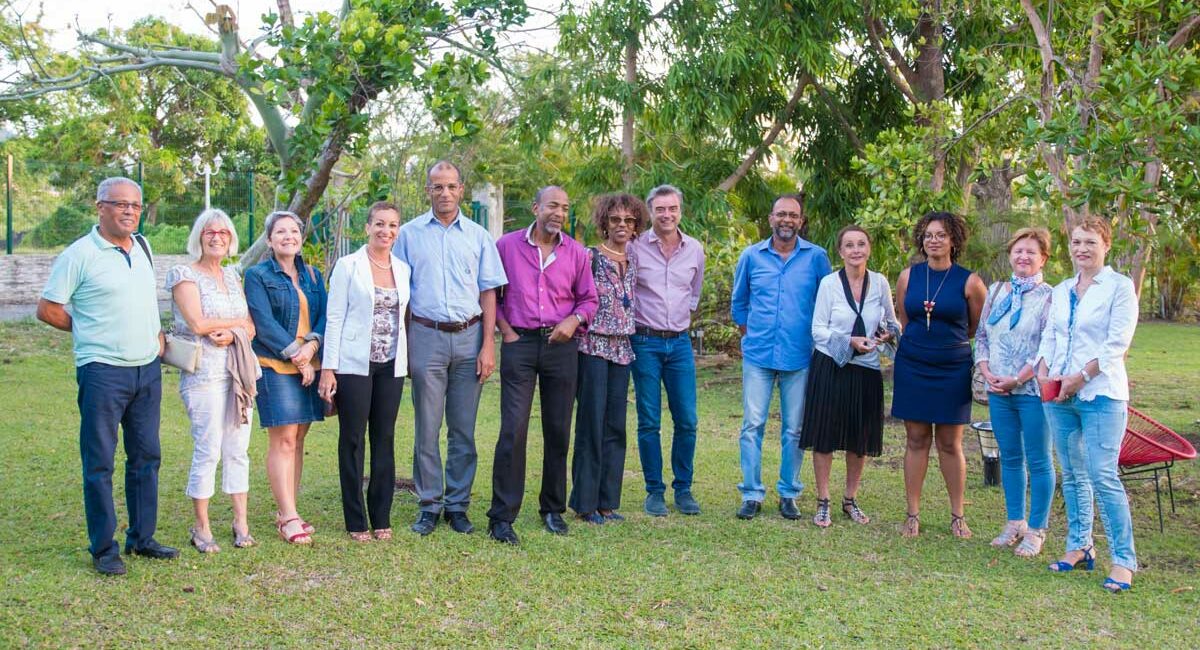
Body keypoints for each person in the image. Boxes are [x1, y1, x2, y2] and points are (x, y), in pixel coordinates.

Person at [37, 176, 179, 575]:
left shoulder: (144, 246)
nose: (129, 211)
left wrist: (155, 336)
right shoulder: (79, 254)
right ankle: (104, 548)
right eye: (120, 204)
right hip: (102, 372)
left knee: (147, 456)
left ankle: (142, 537)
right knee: (100, 461)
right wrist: (88, 330)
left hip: (146, 370)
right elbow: (47, 308)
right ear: (99, 207)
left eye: (135, 204)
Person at [393, 160, 507, 537]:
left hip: (470, 336)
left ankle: (457, 505)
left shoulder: (478, 237)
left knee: (463, 429)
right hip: (426, 336)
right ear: (428, 190)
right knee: (427, 427)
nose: (444, 193)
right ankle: (429, 505)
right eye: (437, 187)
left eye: (451, 186)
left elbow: (489, 292)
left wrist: (488, 347)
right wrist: (406, 346)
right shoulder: (408, 235)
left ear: (461, 189)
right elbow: (401, 295)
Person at [486, 186, 598, 545]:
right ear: (536, 208)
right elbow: (492, 293)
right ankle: (502, 516)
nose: (558, 213)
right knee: (513, 429)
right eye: (552, 205)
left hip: (561, 346)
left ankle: (552, 508)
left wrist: (574, 320)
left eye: (564, 208)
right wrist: (505, 331)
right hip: (519, 343)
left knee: (558, 428)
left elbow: (590, 299)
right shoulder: (506, 246)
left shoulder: (577, 253)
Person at [1036, 217, 1139, 593]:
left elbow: (1117, 344)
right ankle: (1079, 546)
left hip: (1101, 394)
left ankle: (1124, 560)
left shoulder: (1119, 287)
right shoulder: (1062, 290)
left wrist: (1079, 377)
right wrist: (1045, 371)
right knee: (1074, 474)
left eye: (1090, 242)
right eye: (1077, 242)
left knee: (1102, 475)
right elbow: (1051, 334)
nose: (1082, 249)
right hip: (1058, 395)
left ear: (1105, 245)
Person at [731, 193, 832, 521]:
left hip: (800, 355)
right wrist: (752, 335)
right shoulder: (751, 256)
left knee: (794, 428)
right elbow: (739, 302)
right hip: (758, 355)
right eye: (780, 214)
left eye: (793, 215)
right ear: (771, 218)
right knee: (752, 425)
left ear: (800, 221)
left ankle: (789, 493)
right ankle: (751, 493)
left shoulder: (817, 258)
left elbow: (826, 304)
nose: (786, 220)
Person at [167, 208, 260, 553]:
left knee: (239, 450)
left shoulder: (234, 275)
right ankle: (201, 526)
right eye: (210, 232)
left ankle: (241, 522)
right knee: (208, 449)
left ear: (231, 238)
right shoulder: (183, 274)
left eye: (223, 232)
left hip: (238, 373)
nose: (217, 237)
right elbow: (197, 323)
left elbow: (250, 327)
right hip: (203, 374)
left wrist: (232, 327)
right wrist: (233, 324)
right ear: (199, 237)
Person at [319, 202, 411, 542]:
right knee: (353, 439)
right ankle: (356, 520)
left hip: (392, 365)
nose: (386, 231)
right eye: (380, 224)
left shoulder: (403, 269)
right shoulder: (348, 266)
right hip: (354, 365)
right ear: (367, 227)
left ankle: (382, 516)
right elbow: (335, 318)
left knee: (384, 439)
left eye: (392, 225)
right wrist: (329, 369)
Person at [892, 211, 988, 538]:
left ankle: (958, 515)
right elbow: (905, 320)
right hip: (913, 365)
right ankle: (912, 514)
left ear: (954, 241)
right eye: (929, 235)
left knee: (950, 443)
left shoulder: (970, 281)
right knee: (916, 439)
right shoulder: (908, 277)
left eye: (941, 235)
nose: (934, 240)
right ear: (922, 240)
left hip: (952, 368)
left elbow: (974, 327)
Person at [801, 225, 898, 527]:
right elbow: (817, 329)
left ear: (869, 249)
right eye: (849, 245)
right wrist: (849, 341)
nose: (856, 250)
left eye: (861, 244)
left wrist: (884, 336)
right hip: (831, 365)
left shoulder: (880, 283)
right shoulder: (830, 284)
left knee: (860, 436)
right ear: (840, 252)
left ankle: (850, 499)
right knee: (825, 435)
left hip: (866, 368)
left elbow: (894, 325)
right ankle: (823, 501)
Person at [244, 210, 327, 545]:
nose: (288, 237)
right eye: (281, 232)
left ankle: (287, 511)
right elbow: (263, 323)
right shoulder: (257, 275)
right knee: (285, 439)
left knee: (300, 438)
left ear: (301, 238)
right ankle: (289, 517)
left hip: (310, 363)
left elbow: (325, 315)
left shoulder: (313, 275)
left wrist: (311, 348)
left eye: (294, 231)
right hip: (276, 365)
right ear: (269, 239)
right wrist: (297, 353)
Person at [975, 227, 1055, 557]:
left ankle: (1037, 529)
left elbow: (1048, 347)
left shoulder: (1050, 296)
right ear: (1010, 254)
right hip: (998, 389)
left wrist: (1018, 379)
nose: (1023, 257)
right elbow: (981, 336)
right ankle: (1014, 522)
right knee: (1009, 457)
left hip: (1032, 390)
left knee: (1038, 459)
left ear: (1043, 259)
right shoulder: (996, 291)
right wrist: (987, 371)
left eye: (1031, 253)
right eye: (1018, 251)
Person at [627, 185, 706, 517]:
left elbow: (693, 293)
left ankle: (683, 489)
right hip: (645, 342)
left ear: (680, 211)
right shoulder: (634, 248)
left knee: (687, 419)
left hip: (680, 344)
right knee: (649, 420)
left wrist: (678, 320)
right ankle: (654, 491)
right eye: (660, 209)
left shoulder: (695, 250)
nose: (667, 215)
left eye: (672, 208)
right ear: (651, 211)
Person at [569, 193, 646, 524]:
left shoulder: (634, 259)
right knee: (591, 422)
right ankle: (585, 503)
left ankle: (607, 502)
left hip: (622, 348)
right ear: (604, 222)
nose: (622, 226)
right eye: (616, 220)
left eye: (629, 221)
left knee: (615, 425)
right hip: (592, 345)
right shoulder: (589, 257)